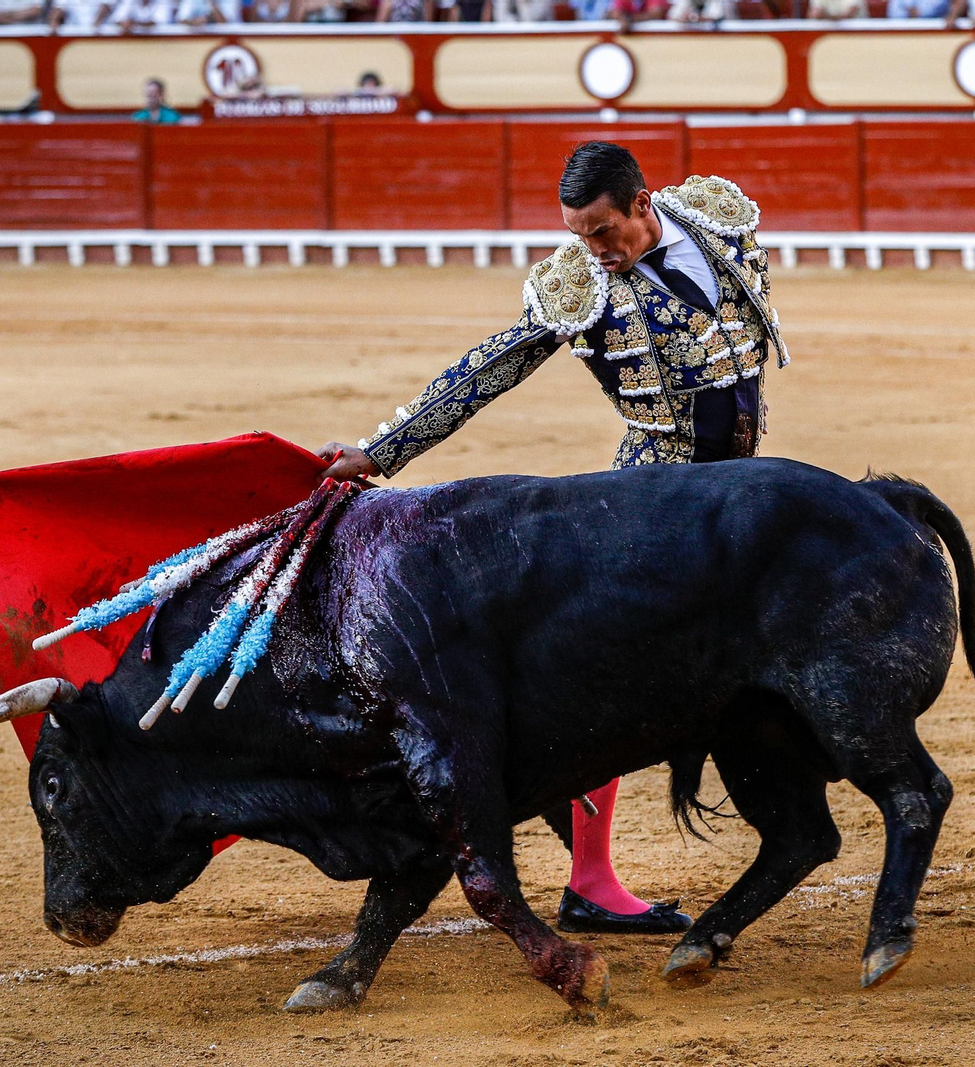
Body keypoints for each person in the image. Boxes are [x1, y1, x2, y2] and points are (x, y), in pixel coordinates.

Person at [315, 143, 790, 934]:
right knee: (610, 681)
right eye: (578, 234)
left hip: (740, 492)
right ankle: (590, 879)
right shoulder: (578, 287)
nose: (592, 250)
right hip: (651, 502)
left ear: (643, 205)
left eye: (603, 231)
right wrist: (381, 449)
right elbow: (490, 368)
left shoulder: (718, 220)